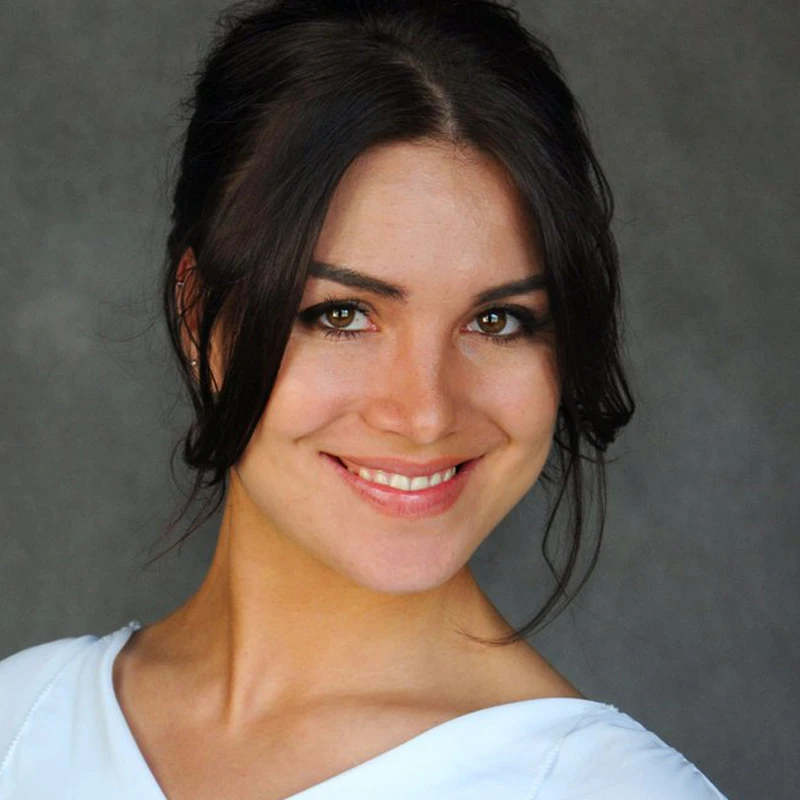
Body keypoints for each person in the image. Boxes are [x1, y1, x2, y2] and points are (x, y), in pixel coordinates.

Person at [0, 1, 728, 797]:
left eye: (498, 321)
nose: (425, 413)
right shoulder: (20, 718)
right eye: (343, 315)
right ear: (199, 316)